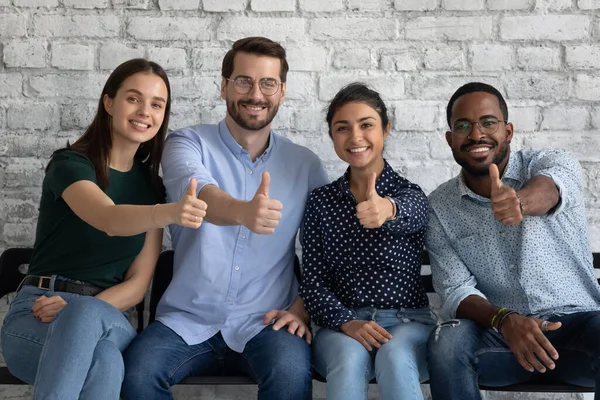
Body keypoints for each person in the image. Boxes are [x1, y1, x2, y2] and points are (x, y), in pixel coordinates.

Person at [121, 37, 329, 400]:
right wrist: (243, 212)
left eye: (268, 83)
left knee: (292, 375)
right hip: (186, 319)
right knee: (136, 377)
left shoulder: (305, 164)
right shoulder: (186, 143)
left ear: (282, 92)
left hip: (267, 321)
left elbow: (329, 248)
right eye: (244, 81)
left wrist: (301, 308)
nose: (256, 94)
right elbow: (200, 192)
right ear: (224, 86)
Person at [0, 58, 207, 400]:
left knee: (88, 322)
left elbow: (138, 284)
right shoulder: (69, 166)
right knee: (105, 363)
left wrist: (80, 310)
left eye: (157, 104)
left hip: (109, 314)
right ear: (109, 102)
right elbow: (108, 219)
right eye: (133, 98)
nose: (145, 111)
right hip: (37, 312)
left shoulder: (151, 186)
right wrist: (170, 212)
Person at [426, 81, 600, 399]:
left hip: (578, 333)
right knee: (447, 342)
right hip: (501, 342)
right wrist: (505, 319)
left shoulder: (551, 162)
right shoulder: (439, 206)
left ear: (508, 131)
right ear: (450, 139)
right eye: (463, 126)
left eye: (488, 122)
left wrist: (520, 202)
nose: (476, 134)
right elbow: (455, 291)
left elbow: (552, 189)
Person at [300, 83, 434, 400]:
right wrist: (347, 322)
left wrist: (388, 209)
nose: (355, 137)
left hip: (408, 324)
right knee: (349, 359)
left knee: (395, 356)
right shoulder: (321, 202)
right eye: (342, 128)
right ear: (332, 136)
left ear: (385, 129)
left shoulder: (409, 193)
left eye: (366, 125)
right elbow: (313, 283)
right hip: (339, 327)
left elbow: (415, 214)